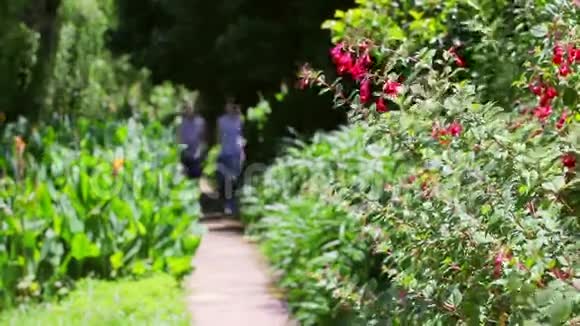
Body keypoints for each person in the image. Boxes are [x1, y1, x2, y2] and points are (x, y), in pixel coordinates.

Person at [217, 98, 245, 216]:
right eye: (228, 105)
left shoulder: (239, 120)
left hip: (236, 153)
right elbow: (218, 137)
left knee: (234, 181)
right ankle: (228, 204)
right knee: (225, 180)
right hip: (224, 153)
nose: (230, 108)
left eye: (232, 105)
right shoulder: (221, 121)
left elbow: (242, 137)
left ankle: (233, 205)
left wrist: (243, 152)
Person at [178, 102, 206, 179]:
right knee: (185, 178)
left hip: (196, 155)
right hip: (184, 155)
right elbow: (179, 138)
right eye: (187, 109)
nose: (188, 111)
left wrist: (202, 151)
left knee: (196, 176)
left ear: (194, 109)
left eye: (190, 109)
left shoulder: (200, 122)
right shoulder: (181, 123)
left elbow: (203, 138)